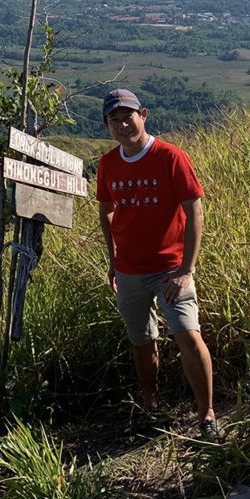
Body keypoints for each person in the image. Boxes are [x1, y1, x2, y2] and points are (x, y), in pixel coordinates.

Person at [96, 88, 219, 439]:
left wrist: (186, 270)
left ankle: (207, 416)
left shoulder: (171, 157)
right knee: (142, 340)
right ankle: (151, 406)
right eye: (113, 119)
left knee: (188, 335)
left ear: (143, 115)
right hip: (128, 270)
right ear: (107, 125)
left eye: (127, 116)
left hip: (170, 268)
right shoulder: (107, 164)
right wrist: (113, 261)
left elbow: (194, 212)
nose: (122, 124)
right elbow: (106, 212)